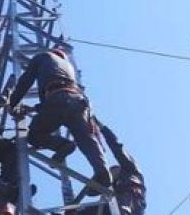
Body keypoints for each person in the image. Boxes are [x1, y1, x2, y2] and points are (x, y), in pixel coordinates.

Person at [8, 47, 112, 192]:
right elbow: (63, 96)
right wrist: (34, 109)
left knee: (33, 136)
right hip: (78, 102)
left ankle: (63, 145)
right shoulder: (68, 67)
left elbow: (26, 81)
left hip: (57, 100)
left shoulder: (44, 56)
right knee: (86, 139)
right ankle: (102, 172)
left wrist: (12, 103)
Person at [76, 118, 146, 215]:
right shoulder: (115, 187)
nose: (111, 176)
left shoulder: (131, 170)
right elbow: (92, 191)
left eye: (113, 172)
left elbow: (117, 146)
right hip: (115, 209)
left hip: (125, 207)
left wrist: (102, 129)